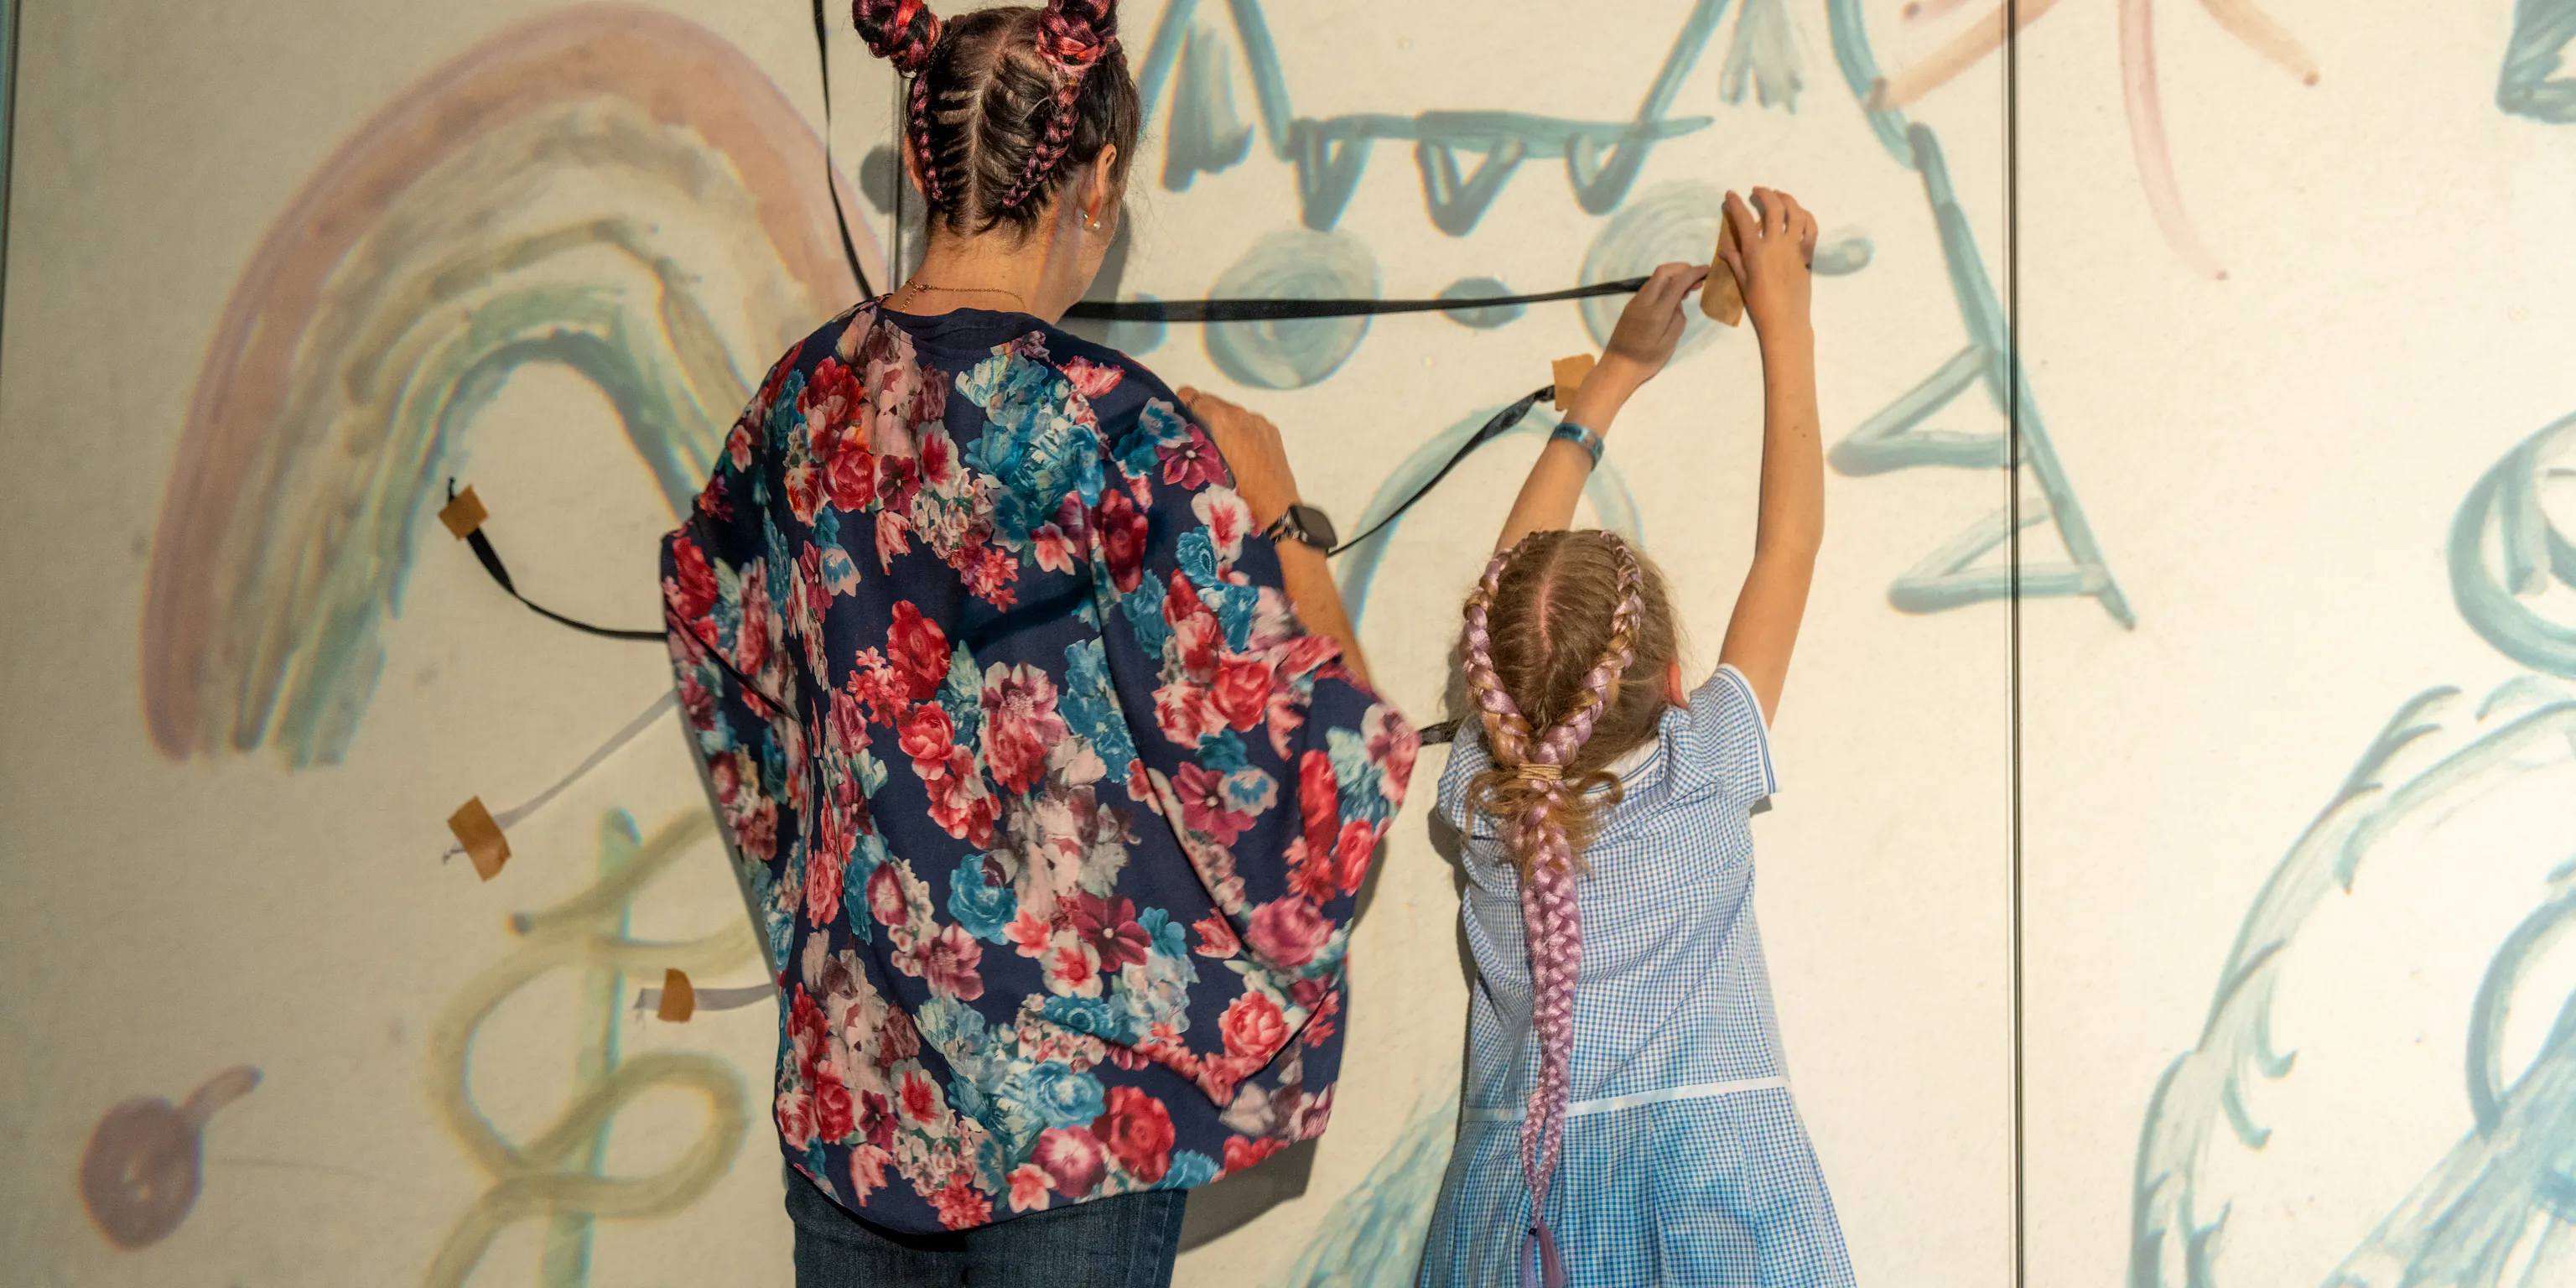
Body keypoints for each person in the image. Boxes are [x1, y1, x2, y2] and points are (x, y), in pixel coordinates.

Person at [657, 2, 1418, 1283]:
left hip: (860, 1100)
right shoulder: (1118, 429)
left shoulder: (801, 405)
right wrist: (1277, 511)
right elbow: (1309, 782)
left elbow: (711, 610)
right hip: (1067, 1133)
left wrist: (824, 889)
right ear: (1099, 178)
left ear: (929, 152)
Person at [1417, 188, 1852, 1288]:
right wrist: (1785, 323)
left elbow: (1507, 608)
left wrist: (1608, 383)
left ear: (1488, 687)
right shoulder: (1701, 768)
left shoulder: (1485, 796)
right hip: (1717, 1201)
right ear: (1672, 684)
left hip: (1518, 1214)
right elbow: (1788, 547)